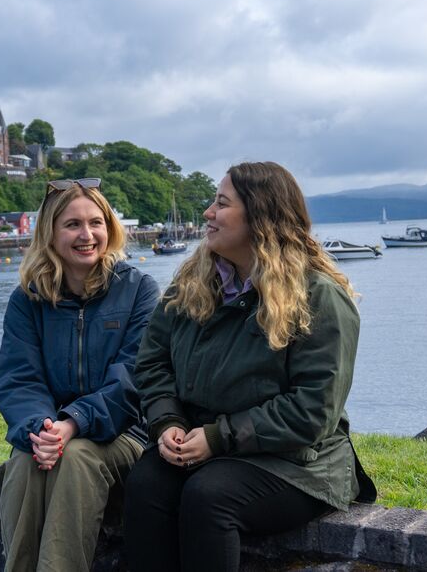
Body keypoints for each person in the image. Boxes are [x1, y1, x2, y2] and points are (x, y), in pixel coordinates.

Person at [124, 161, 376, 572]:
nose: (207, 213)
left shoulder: (319, 297)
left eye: (221, 203)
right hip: (204, 444)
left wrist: (218, 438)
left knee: (210, 496)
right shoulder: (193, 283)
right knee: (146, 483)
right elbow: (153, 362)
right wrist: (167, 420)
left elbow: (313, 410)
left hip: (299, 462)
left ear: (261, 214)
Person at [0, 178, 160, 572]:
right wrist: (43, 429)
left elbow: (133, 378)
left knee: (77, 457)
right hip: (54, 431)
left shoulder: (138, 290)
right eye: (72, 225)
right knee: (24, 462)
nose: (87, 235)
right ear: (50, 232)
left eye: (96, 223)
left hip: (127, 435)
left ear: (110, 228)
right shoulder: (28, 299)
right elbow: (19, 379)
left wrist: (73, 422)